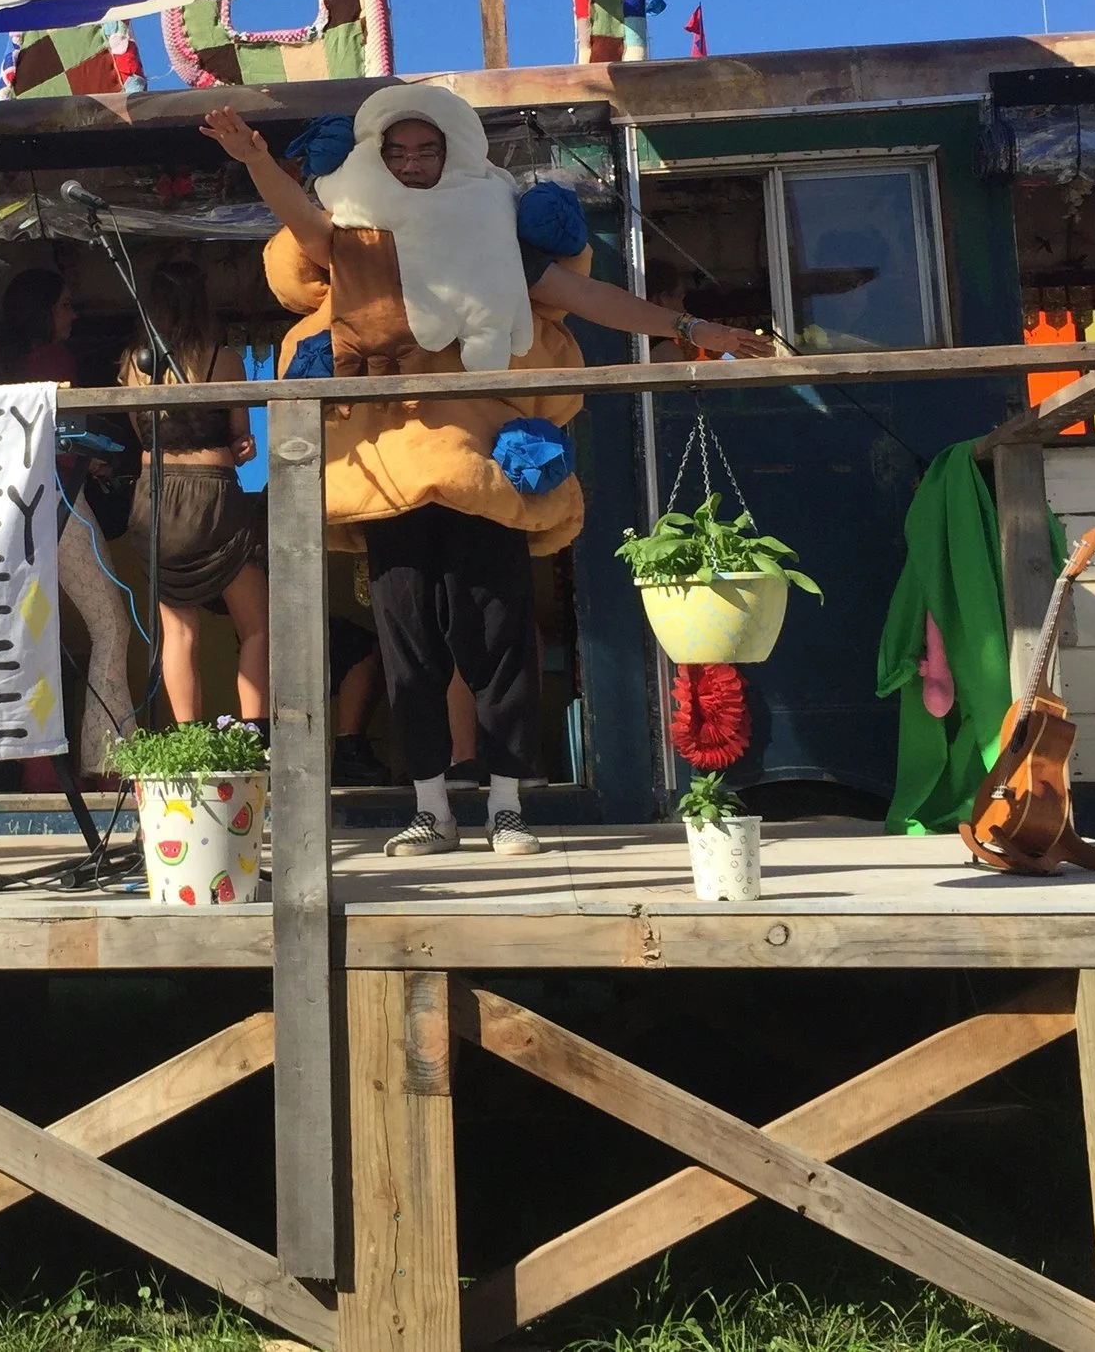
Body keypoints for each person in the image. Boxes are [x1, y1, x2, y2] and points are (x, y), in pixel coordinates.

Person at [203, 86, 769, 859]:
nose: (412, 163)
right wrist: (257, 159)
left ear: (453, 151)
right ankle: (430, 808)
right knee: (409, 648)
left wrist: (692, 326)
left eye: (426, 149)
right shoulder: (359, 234)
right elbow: (303, 222)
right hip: (393, 479)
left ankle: (506, 805)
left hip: (490, 474)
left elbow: (587, 295)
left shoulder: (494, 228)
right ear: (378, 156)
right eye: (398, 151)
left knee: (500, 641)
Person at [0, 267, 135, 776]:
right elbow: (64, 442)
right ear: (43, 312)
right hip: (60, 501)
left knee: (30, 638)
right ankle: (108, 762)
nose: (73, 315)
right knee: (111, 625)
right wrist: (97, 458)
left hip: (8, 509)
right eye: (66, 305)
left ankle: (37, 772)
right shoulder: (54, 360)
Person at [119, 258, 270, 728]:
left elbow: (142, 435)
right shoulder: (223, 361)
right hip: (214, 500)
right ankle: (255, 735)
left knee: (179, 632)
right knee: (257, 628)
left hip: (156, 500)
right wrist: (242, 447)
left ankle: (188, 739)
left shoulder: (133, 364)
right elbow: (240, 440)